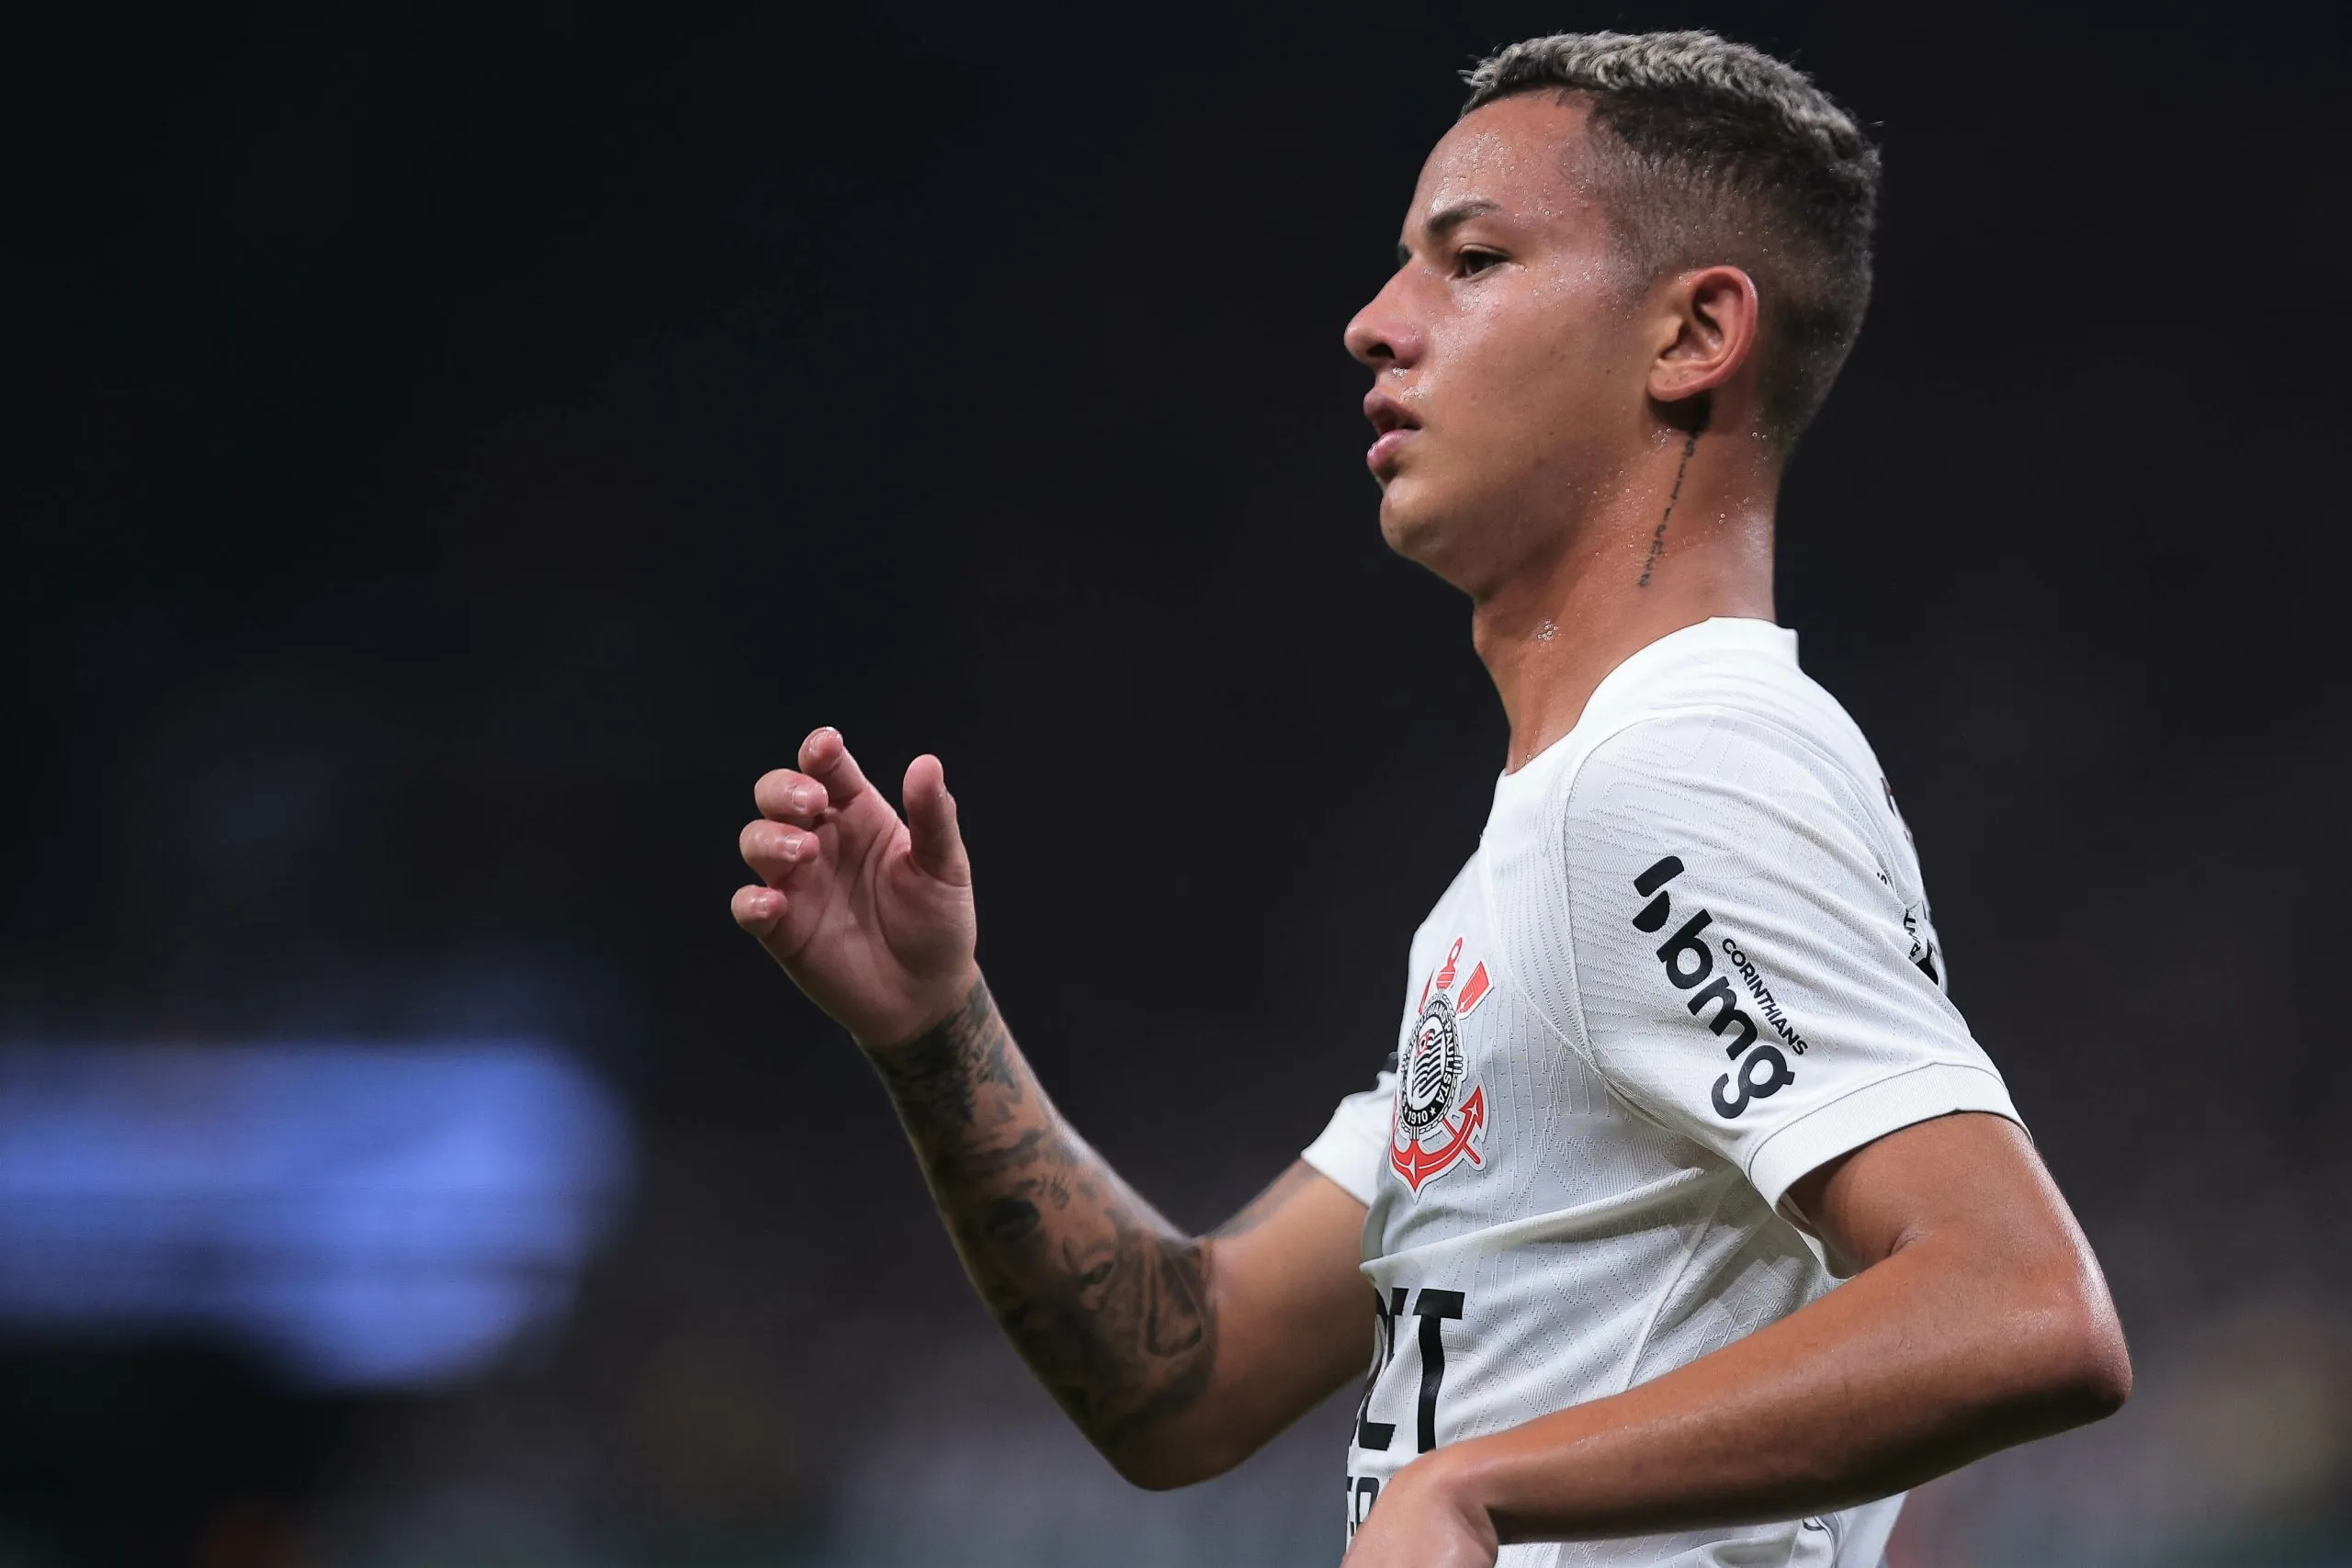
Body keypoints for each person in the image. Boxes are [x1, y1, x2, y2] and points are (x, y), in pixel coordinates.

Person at [729, 29, 2130, 1566]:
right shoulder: (1552, 844)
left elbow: (2021, 1304)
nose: (1372, 323)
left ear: (1693, 335)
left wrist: (1473, 1484)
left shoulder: (1679, 769)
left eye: (1470, 258)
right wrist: (938, 1029)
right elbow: (1179, 1373)